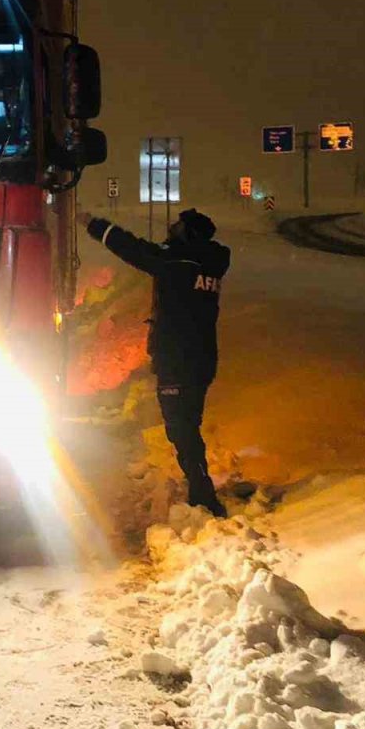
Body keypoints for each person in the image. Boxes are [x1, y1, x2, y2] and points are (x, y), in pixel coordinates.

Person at [77, 207, 231, 517]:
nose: (172, 227)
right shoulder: (209, 262)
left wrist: (93, 224)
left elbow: (131, 248)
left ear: (189, 233)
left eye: (178, 225)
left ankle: (203, 494)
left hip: (177, 358)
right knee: (188, 424)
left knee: (181, 428)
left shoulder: (178, 262)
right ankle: (199, 484)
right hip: (201, 358)